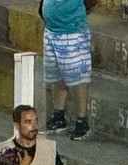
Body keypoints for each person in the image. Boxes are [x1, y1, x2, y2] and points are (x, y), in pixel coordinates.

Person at [41, 0, 93, 140]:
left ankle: (82, 121)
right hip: (51, 31)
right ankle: (59, 116)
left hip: (73, 33)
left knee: (79, 80)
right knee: (56, 76)